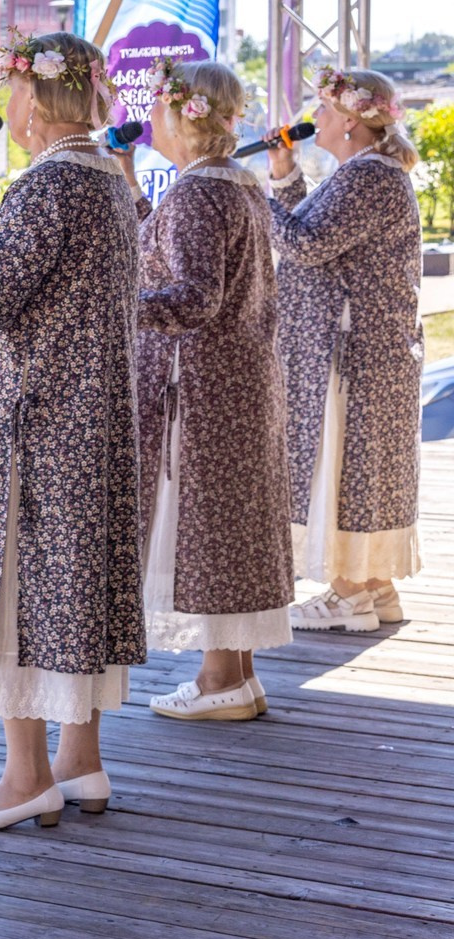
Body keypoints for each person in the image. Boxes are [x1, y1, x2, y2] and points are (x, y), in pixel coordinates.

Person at [0, 30, 143, 830]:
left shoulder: (50, 189)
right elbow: (26, 268)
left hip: (30, 423)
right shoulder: (105, 182)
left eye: (13, 88)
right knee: (71, 586)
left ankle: (25, 777)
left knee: (20, 587)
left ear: (35, 104)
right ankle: (81, 761)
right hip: (85, 419)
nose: (6, 104)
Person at [110, 63, 294, 721]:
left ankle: (221, 680)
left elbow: (192, 297)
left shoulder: (197, 195)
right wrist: (128, 178)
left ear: (185, 116)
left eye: (158, 106)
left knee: (211, 530)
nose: (150, 116)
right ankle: (235, 675)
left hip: (206, 386)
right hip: (240, 378)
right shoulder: (231, 184)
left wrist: (110, 304)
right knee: (232, 527)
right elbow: (161, 249)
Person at [267, 65, 425, 631]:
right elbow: (318, 229)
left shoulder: (367, 177)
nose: (317, 119)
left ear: (355, 123)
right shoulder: (365, 173)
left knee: (347, 464)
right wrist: (283, 178)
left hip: (351, 355)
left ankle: (349, 593)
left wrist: (250, 197)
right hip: (365, 352)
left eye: (327, 109)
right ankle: (375, 587)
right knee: (364, 468)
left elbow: (306, 245)